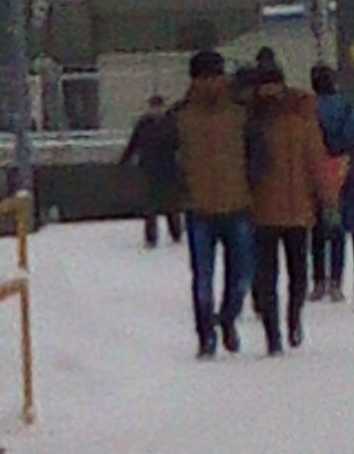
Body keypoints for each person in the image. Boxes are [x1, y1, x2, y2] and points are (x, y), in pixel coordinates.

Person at [173, 47, 254, 356]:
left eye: (215, 76)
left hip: (237, 203)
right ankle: (207, 333)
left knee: (239, 276)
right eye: (205, 77)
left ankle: (226, 319)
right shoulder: (181, 117)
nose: (211, 83)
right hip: (202, 207)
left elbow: (257, 152)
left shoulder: (240, 113)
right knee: (207, 278)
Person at [247, 58, 329, 354]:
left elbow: (314, 158)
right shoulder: (300, 117)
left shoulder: (256, 118)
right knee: (288, 273)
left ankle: (282, 328)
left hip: (274, 209)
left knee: (279, 273)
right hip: (285, 208)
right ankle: (285, 325)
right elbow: (315, 159)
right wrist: (324, 198)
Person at [309, 62, 354, 300]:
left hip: (315, 169)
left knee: (317, 225)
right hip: (342, 167)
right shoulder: (345, 105)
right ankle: (336, 281)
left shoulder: (307, 107)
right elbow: (350, 135)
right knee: (337, 225)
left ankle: (318, 280)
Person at [119, 92, 184, 246]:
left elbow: (180, 143)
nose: (156, 110)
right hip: (149, 168)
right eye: (154, 107)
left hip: (168, 168)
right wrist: (124, 160)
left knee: (171, 204)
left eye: (159, 107)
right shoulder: (143, 124)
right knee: (150, 205)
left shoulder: (171, 123)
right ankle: (151, 237)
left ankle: (176, 233)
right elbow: (134, 143)